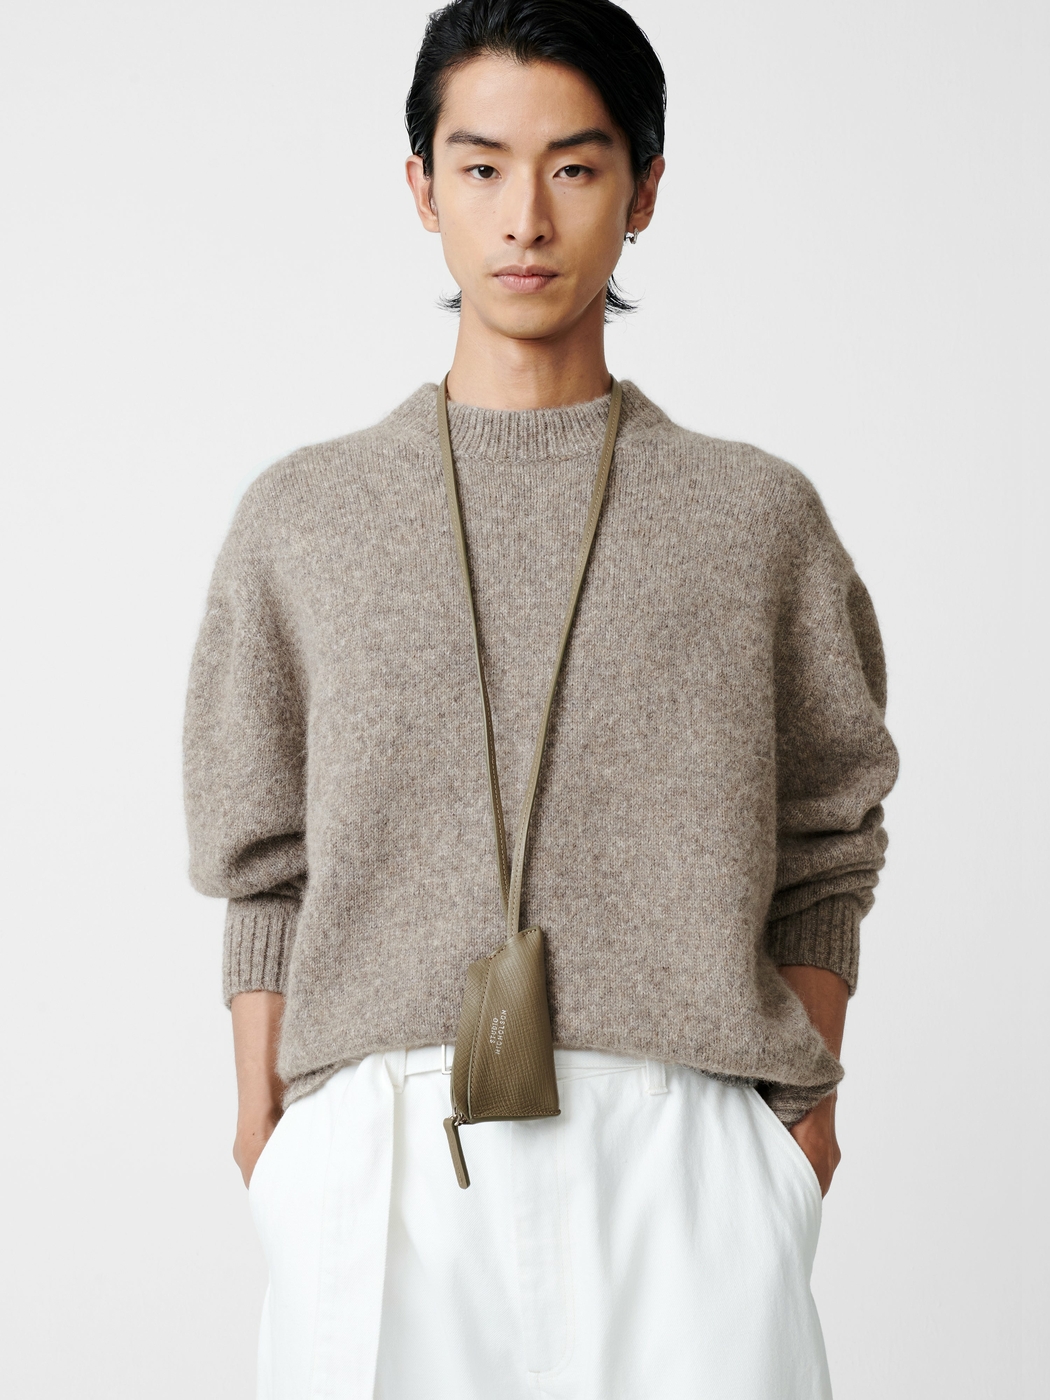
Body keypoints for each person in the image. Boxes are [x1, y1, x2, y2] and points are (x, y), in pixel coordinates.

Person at [183, 2, 898, 1396]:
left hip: (684, 1144)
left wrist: (794, 1125)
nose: (524, 217)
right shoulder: (304, 518)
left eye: (574, 166)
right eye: (481, 166)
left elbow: (827, 839)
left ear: (644, 189)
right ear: (421, 188)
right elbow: (262, 860)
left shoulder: (754, 518)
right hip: (382, 1146)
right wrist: (270, 1136)